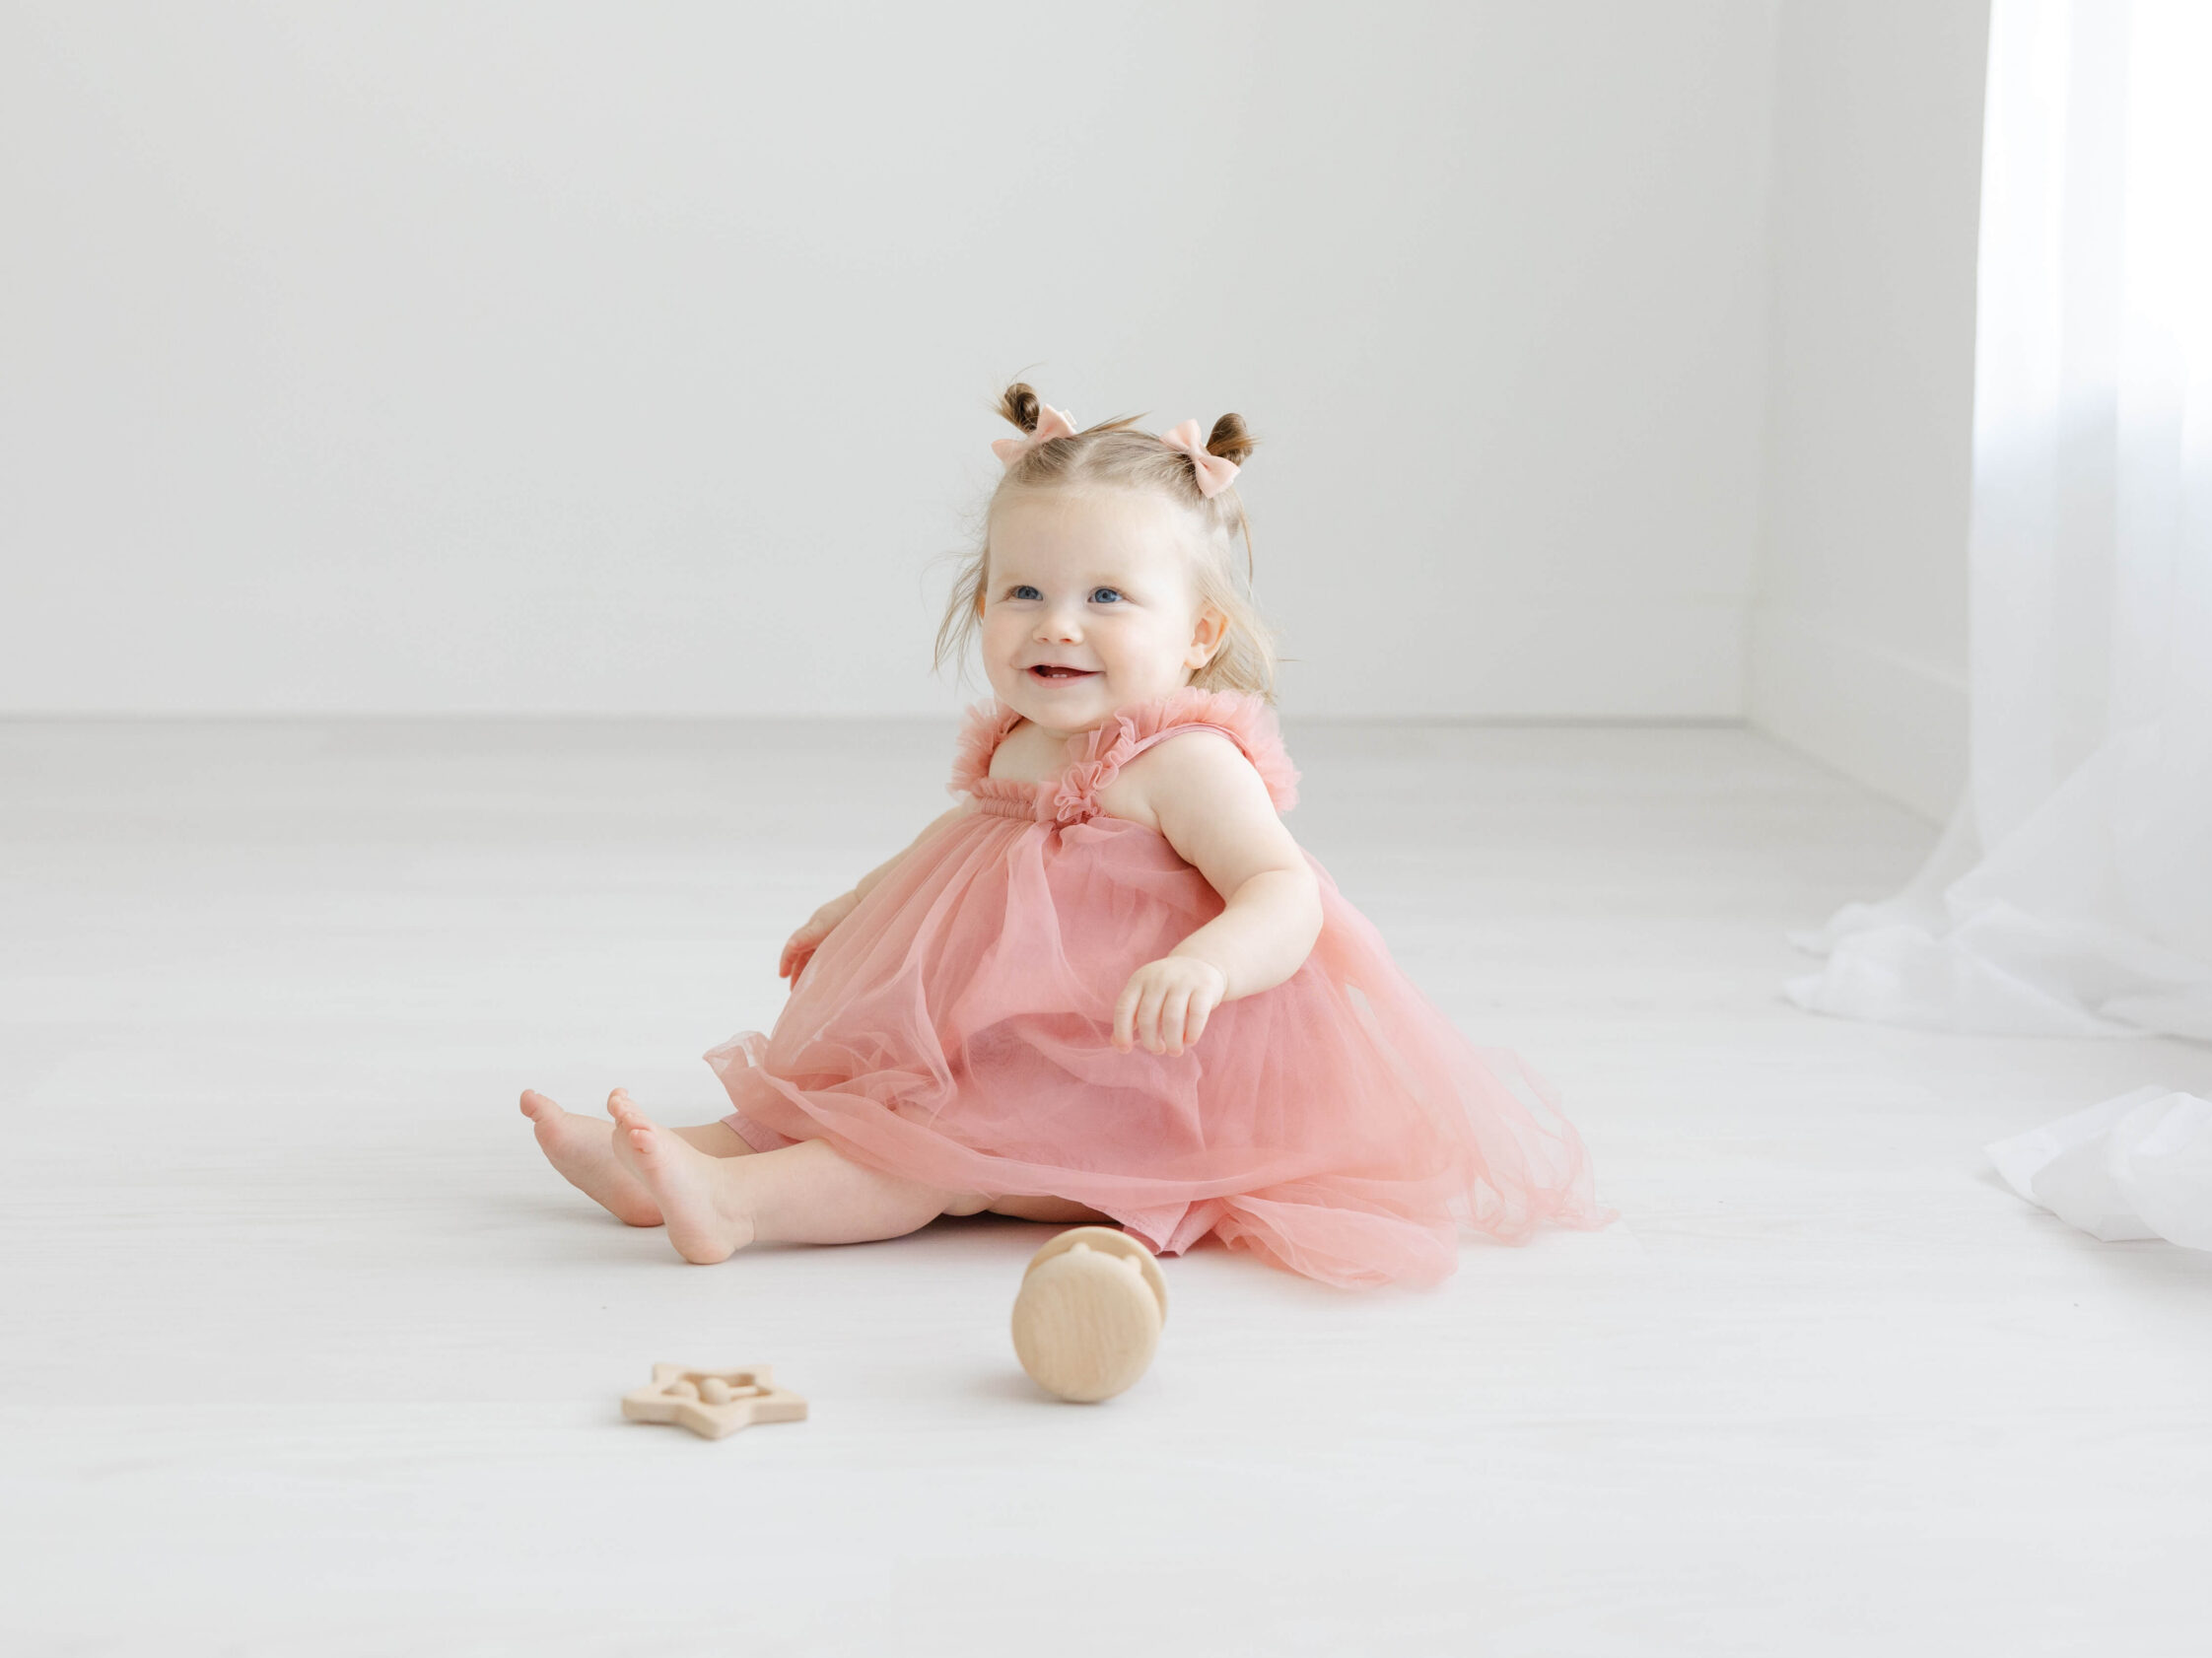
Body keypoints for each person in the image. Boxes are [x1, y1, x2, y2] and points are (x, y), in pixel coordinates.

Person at [522, 385, 1606, 1287]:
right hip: (1009, 1031)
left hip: (1127, 1074)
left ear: (1200, 636)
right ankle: (651, 1167)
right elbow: (956, 844)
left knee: (940, 1156)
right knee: (868, 1101)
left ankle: (739, 1205)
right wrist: (858, 904)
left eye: (1106, 597)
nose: (1057, 623)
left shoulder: (1187, 761)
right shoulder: (1020, 742)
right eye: (1022, 591)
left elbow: (1284, 892)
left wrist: (1206, 961)